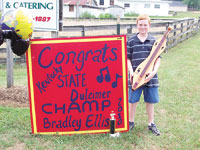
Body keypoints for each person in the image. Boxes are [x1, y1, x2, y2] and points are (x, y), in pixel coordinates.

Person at [127, 14, 161, 136]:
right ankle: (130, 122)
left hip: (150, 78)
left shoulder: (153, 41)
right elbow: (128, 59)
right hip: (135, 77)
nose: (142, 27)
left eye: (145, 25)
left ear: (149, 25)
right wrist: (131, 72)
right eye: (140, 25)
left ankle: (151, 123)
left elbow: (158, 59)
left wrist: (153, 72)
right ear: (137, 25)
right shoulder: (131, 41)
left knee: (150, 101)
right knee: (133, 100)